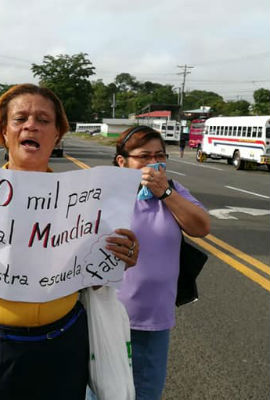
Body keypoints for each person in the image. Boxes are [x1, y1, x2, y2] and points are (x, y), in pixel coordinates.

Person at [0, 84, 139, 400]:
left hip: (64, 346)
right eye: (20, 118)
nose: (31, 125)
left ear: (57, 135)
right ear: (4, 132)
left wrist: (119, 258)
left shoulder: (87, 198)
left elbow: (94, 278)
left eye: (43, 119)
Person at [112, 125, 210, 400]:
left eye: (160, 156)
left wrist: (165, 194)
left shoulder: (173, 191)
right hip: (107, 316)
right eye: (144, 156)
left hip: (153, 319)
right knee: (100, 391)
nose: (154, 163)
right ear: (123, 162)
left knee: (145, 392)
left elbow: (201, 227)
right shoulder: (105, 194)